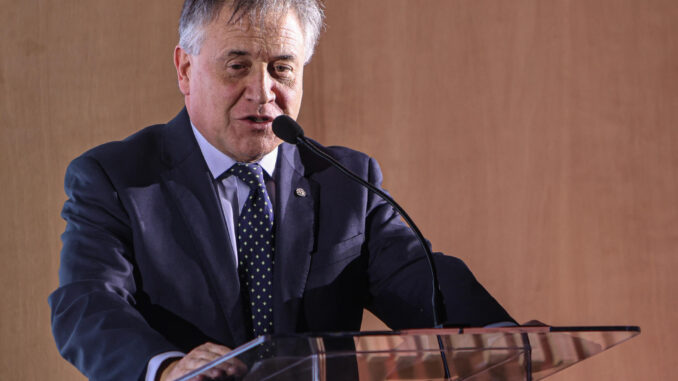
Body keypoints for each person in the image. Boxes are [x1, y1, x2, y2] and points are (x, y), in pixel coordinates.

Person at [48, 1, 514, 380]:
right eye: (238, 66)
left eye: (282, 68)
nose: (262, 91)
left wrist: (504, 337)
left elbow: (419, 279)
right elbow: (87, 304)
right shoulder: (115, 179)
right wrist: (168, 369)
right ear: (185, 69)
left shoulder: (345, 180)